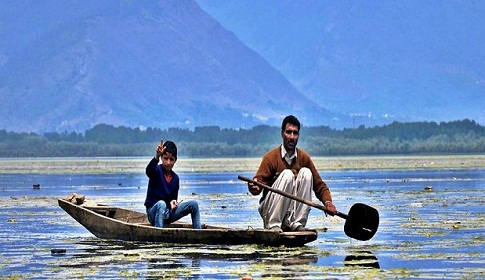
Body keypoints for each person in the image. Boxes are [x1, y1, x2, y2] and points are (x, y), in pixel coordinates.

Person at [247, 115, 337, 232]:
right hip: (270, 213)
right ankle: (274, 226)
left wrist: (328, 202)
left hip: (290, 214)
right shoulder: (271, 157)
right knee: (288, 174)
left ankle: (297, 223)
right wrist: (254, 186)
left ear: (298, 136)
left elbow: (319, 185)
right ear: (282, 134)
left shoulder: (303, 158)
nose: (292, 137)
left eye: (295, 133)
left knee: (306, 173)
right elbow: (258, 184)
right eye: (288, 132)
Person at [144, 140, 201, 229]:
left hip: (167, 213)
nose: (168, 162)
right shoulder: (156, 171)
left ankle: (198, 232)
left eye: (171, 159)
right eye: (165, 158)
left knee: (194, 204)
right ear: (162, 158)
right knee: (161, 204)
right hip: (153, 213)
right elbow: (148, 171)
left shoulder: (175, 178)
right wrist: (157, 156)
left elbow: (172, 200)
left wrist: (173, 203)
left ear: (175, 160)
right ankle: (158, 233)